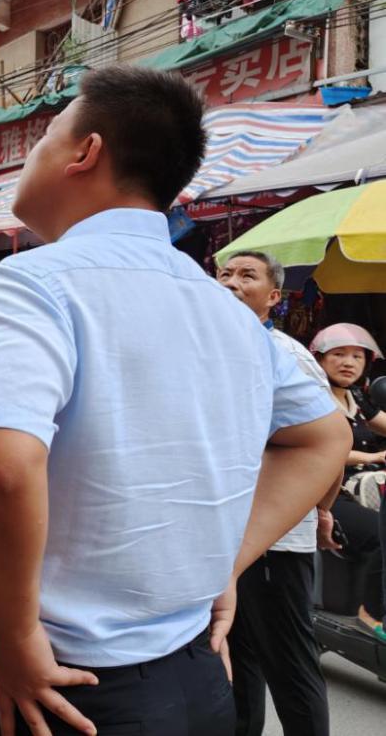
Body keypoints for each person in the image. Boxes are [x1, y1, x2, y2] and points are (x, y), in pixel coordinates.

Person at [0, 66, 350, 736]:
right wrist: (227, 562)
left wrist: (15, 640)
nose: (31, 155)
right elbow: (326, 436)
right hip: (195, 682)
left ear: (86, 152)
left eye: (45, 134)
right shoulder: (226, 313)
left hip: (68, 686)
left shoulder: (35, 280)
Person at [216, 251, 336, 736]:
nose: (231, 282)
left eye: (247, 275)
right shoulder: (219, 349)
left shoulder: (287, 355)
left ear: (272, 297)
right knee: (238, 657)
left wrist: (321, 508)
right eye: (224, 273)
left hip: (276, 537)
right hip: (232, 534)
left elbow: (328, 438)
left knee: (289, 664)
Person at [311, 323, 386, 642]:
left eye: (357, 356)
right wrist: (372, 457)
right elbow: (319, 449)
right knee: (377, 535)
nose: (348, 362)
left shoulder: (356, 397)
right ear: (320, 360)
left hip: (368, 487)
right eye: (339, 354)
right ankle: (371, 612)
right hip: (330, 493)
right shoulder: (313, 399)